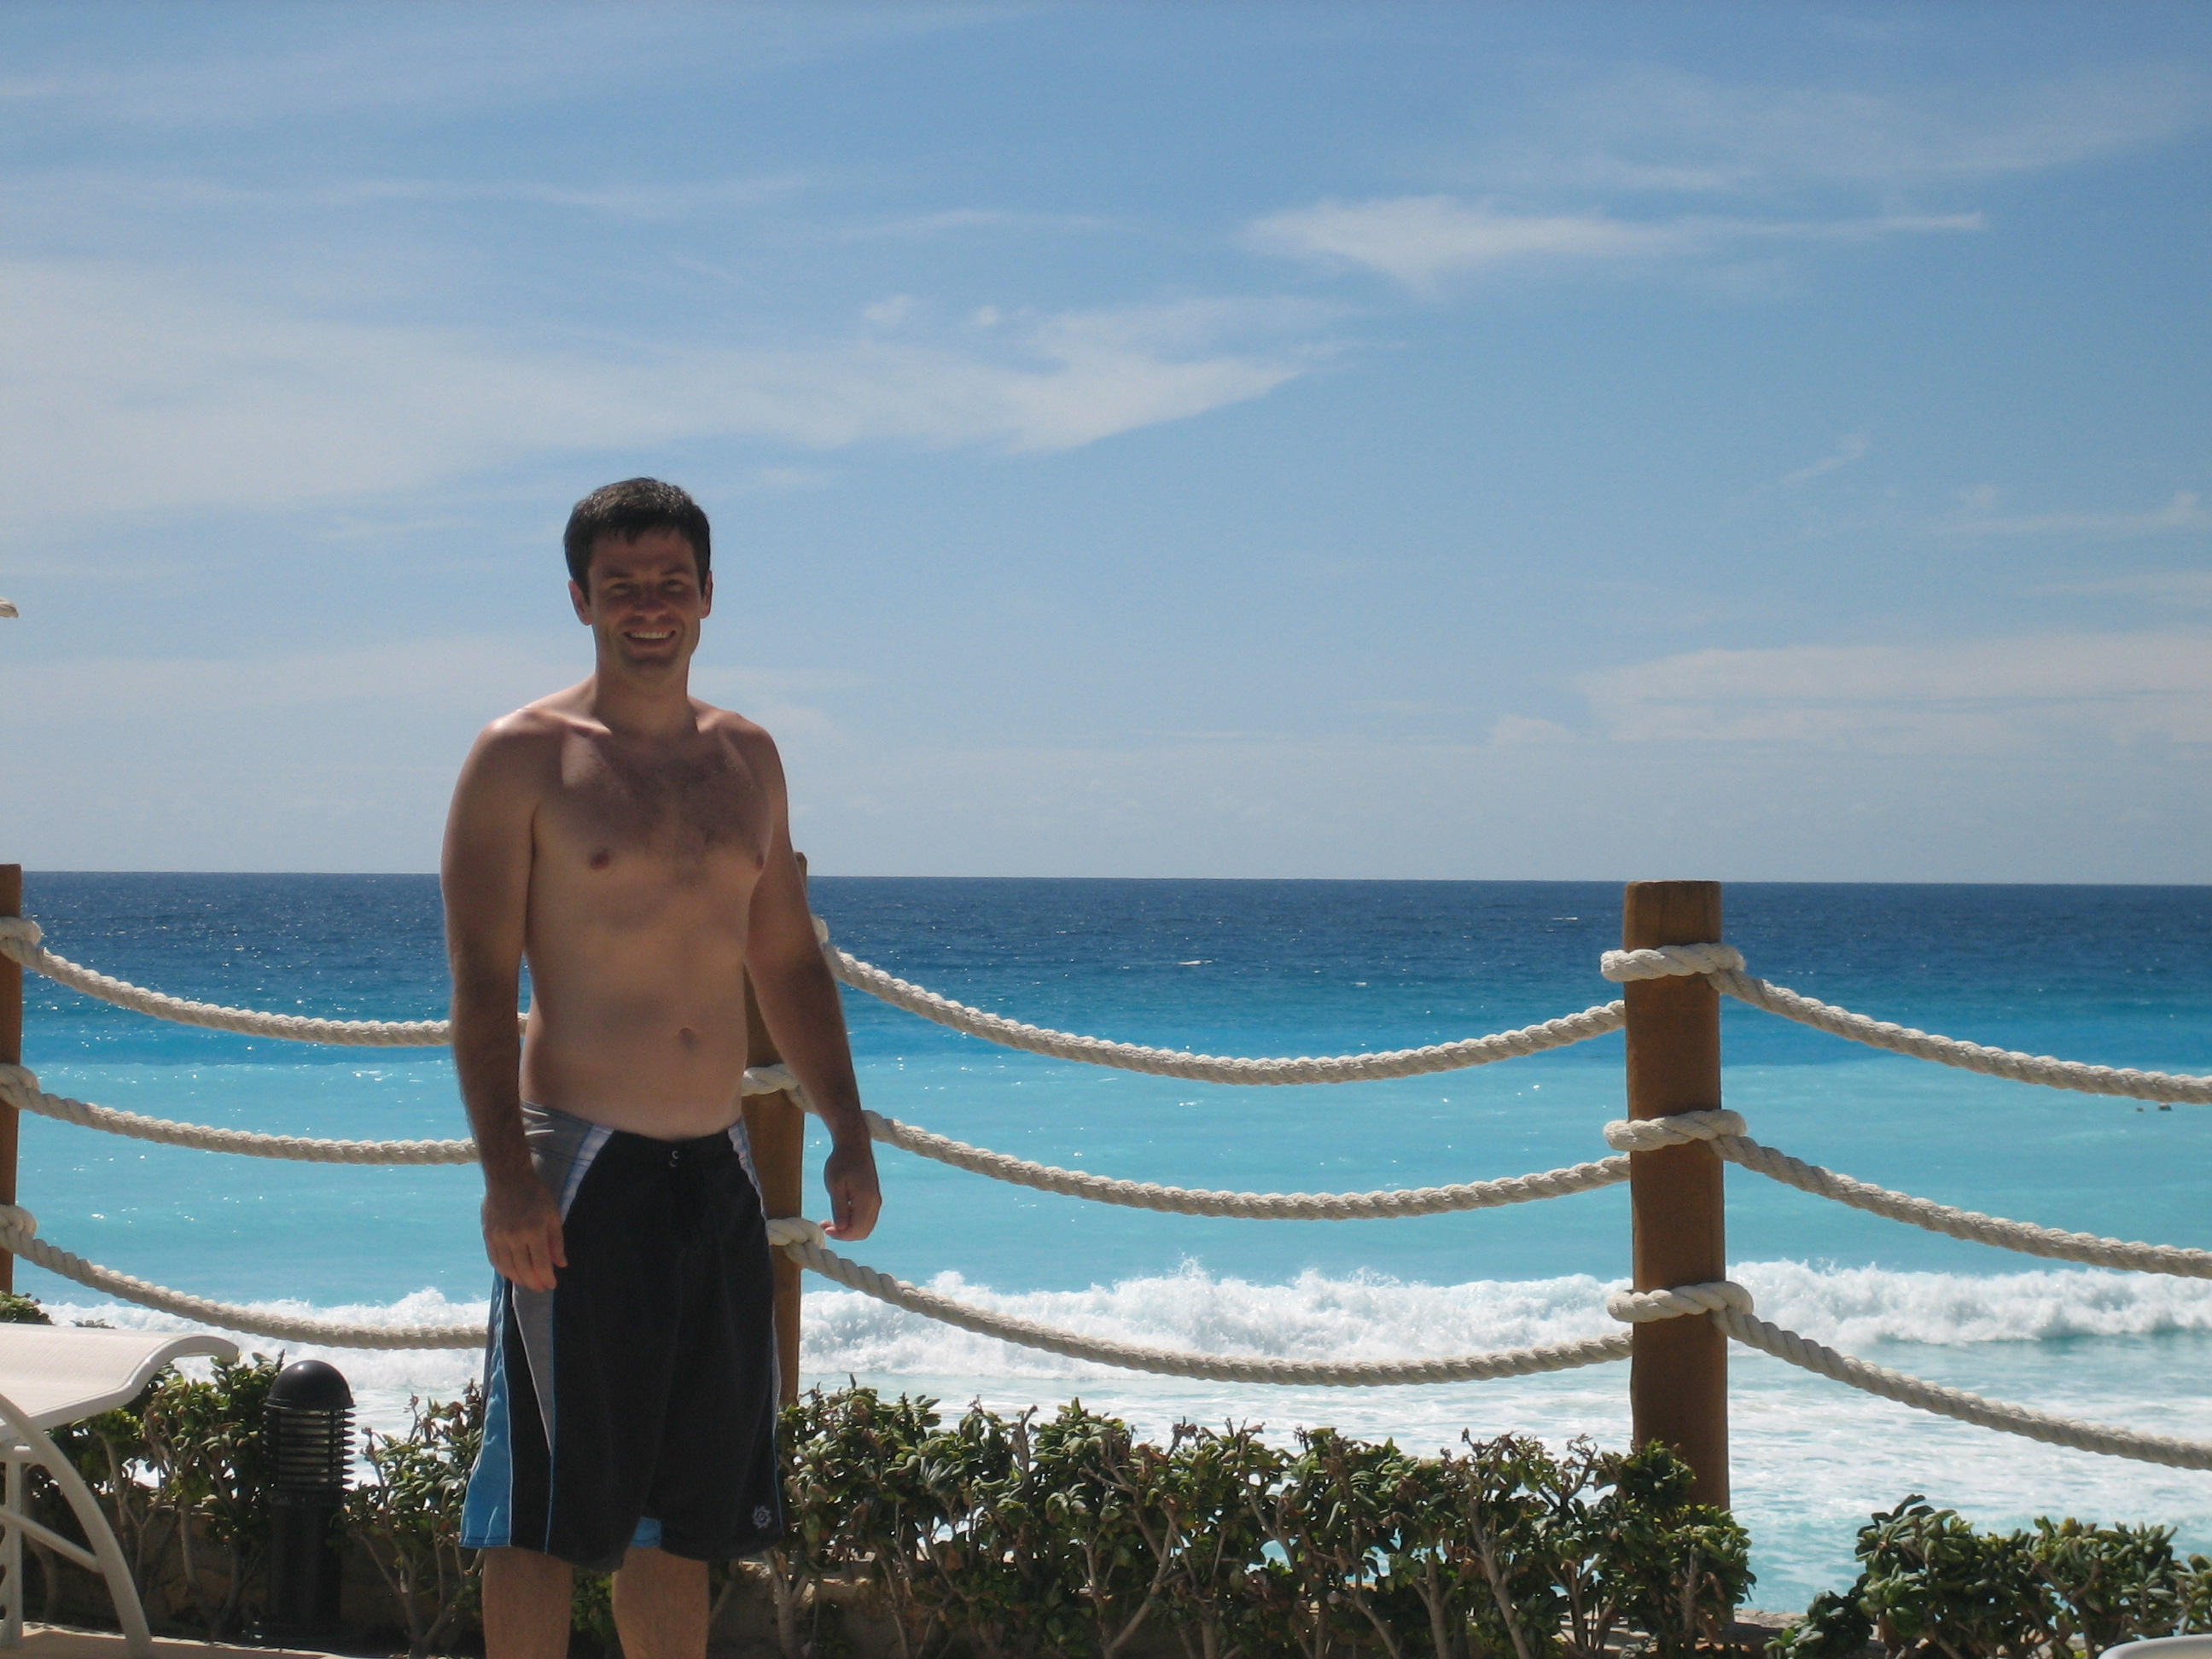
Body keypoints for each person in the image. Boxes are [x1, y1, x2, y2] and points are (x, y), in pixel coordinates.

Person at [441, 478, 882, 1659]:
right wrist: (507, 1180)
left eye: (671, 582)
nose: (650, 605)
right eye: (623, 584)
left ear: (708, 596)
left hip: (718, 1168)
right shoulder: (520, 759)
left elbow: (784, 959)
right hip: (579, 1166)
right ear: (580, 598)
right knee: (540, 1515)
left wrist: (846, 1129)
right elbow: (481, 991)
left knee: (682, 1521)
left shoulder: (748, 757)